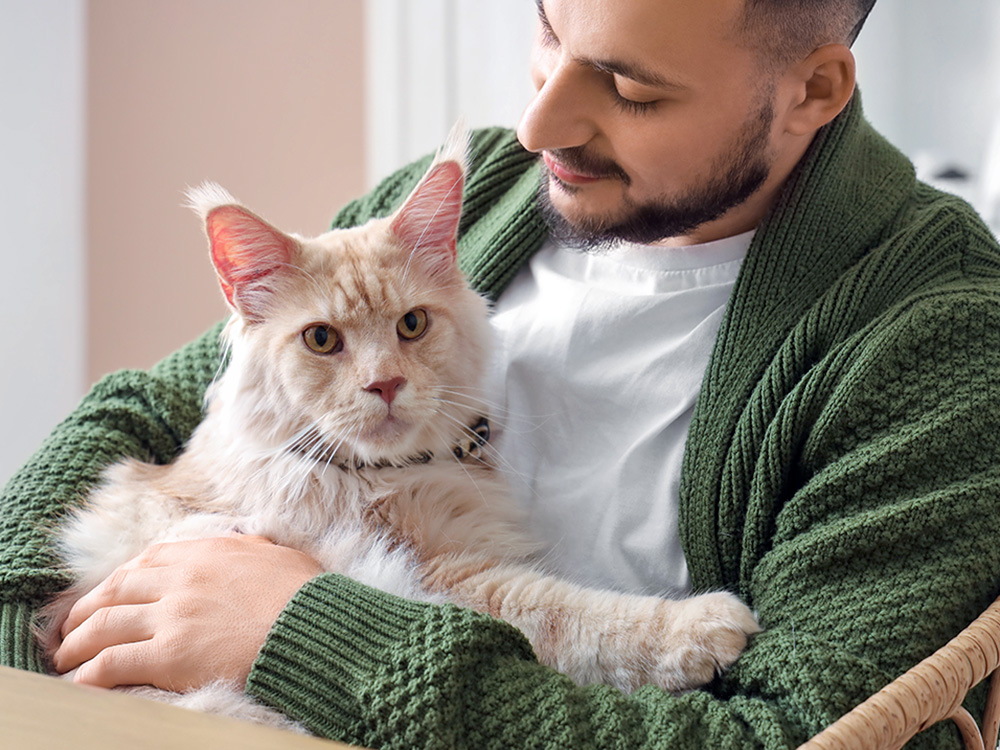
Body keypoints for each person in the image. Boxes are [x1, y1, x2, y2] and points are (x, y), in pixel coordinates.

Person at [3, 0, 999, 747]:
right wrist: (23, 669)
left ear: (814, 90)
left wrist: (301, 635)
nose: (538, 127)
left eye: (629, 89)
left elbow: (775, 735)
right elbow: (139, 412)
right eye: (547, 32)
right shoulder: (481, 191)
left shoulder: (933, 338)